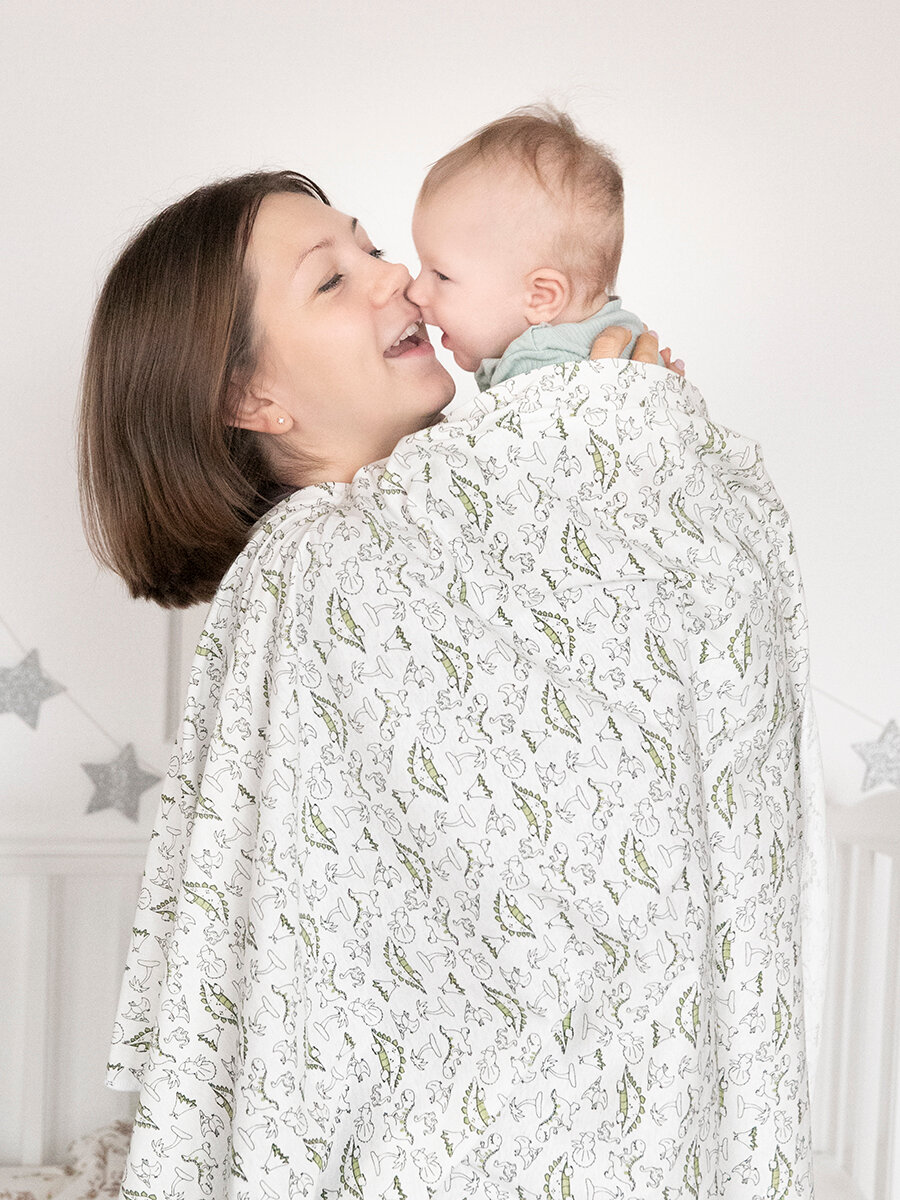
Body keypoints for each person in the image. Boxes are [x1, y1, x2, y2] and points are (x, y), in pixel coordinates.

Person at [81, 165, 825, 1200]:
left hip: (617, 1089)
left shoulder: (506, 509)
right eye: (331, 280)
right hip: (450, 1132)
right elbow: (458, 914)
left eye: (372, 248)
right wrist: (618, 437)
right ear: (252, 395)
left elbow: (683, 699)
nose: (393, 277)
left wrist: (626, 432)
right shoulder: (327, 563)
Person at [408, 105, 679, 391]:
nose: (415, 292)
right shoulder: (628, 336)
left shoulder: (536, 367)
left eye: (442, 275)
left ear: (541, 297)